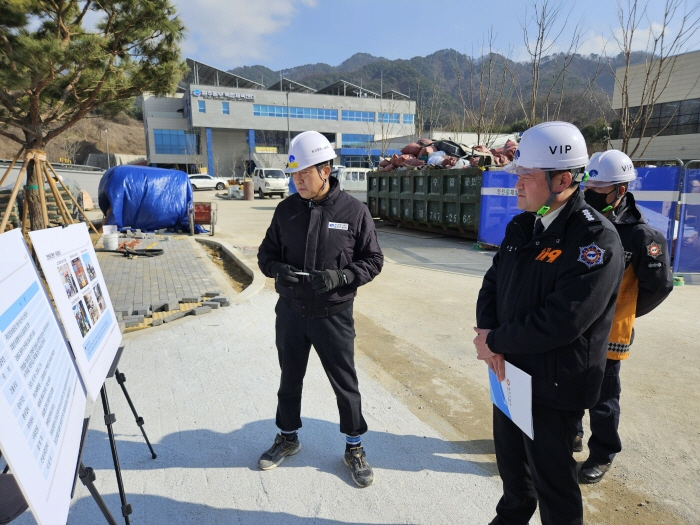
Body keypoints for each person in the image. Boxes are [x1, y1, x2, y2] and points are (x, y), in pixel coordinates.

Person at [474, 121, 625, 525]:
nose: (517, 184)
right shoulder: (523, 225)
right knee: (513, 475)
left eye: (526, 176)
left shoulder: (595, 240)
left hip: (554, 385)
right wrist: (488, 334)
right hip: (509, 373)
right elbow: (493, 284)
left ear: (561, 180)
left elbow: (563, 320)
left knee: (554, 486)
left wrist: (496, 340)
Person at [257, 131, 383, 488]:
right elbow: (266, 254)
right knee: (289, 378)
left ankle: (354, 446)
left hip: (333, 314)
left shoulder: (354, 212)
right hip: (292, 312)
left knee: (345, 383)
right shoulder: (286, 210)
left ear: (325, 171)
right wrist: (276, 269)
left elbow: (373, 260)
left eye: (304, 174)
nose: (297, 181)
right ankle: (287, 437)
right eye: (294, 175)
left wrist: (341, 276)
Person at [575, 150, 673, 483]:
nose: (590, 193)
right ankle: (573, 434)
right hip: (573, 324)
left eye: (599, 188)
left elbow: (658, 287)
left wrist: (624, 311)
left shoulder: (643, 237)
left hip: (610, 332)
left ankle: (602, 454)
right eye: (588, 187)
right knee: (568, 384)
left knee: (603, 397)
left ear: (620, 190)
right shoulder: (581, 222)